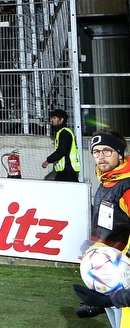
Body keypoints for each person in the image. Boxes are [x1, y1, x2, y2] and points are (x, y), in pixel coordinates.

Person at [72, 131, 130, 326]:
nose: (100, 157)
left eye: (107, 151)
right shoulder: (107, 181)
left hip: (122, 273)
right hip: (109, 270)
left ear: (120, 154)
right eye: (96, 152)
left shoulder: (127, 187)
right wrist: (92, 252)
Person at [40, 109, 81, 182]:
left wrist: (48, 161)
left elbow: (61, 151)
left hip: (67, 168)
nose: (52, 120)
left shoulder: (64, 132)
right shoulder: (61, 132)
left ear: (61, 119)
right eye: (52, 118)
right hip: (65, 168)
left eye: (54, 118)